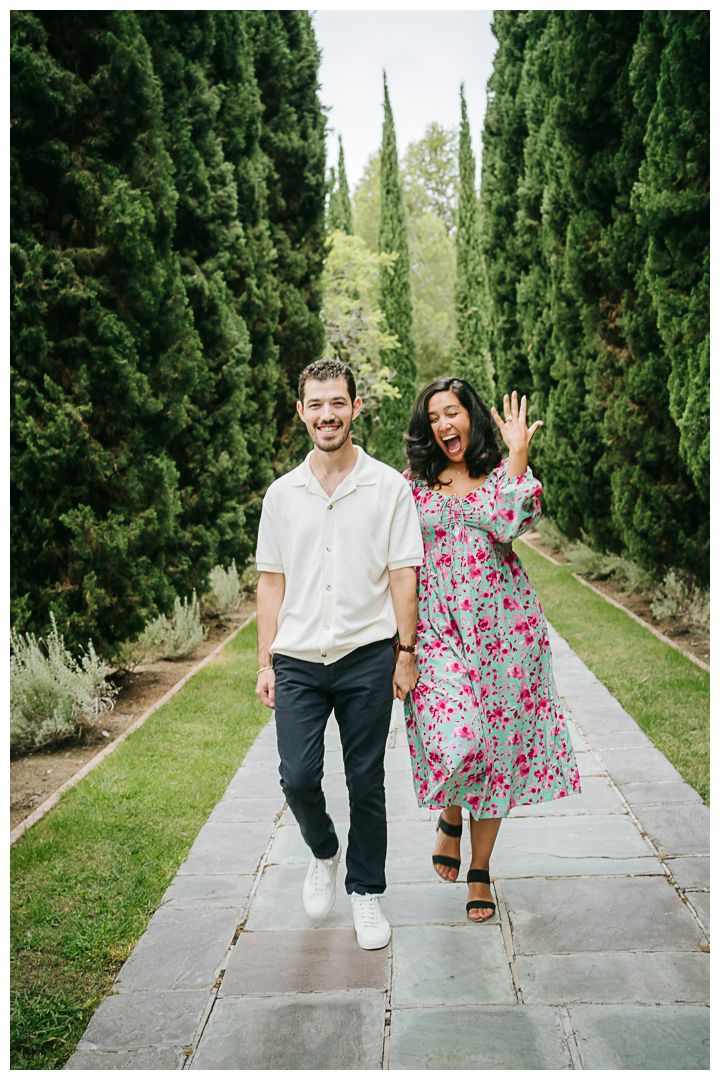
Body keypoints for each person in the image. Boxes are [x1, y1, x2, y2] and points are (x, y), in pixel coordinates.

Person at [255, 358, 424, 950]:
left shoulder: (388, 487)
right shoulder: (281, 495)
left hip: (367, 655)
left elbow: (404, 574)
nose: (327, 414)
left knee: (366, 780)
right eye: (316, 404)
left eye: (337, 403)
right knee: (298, 777)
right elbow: (270, 582)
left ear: (356, 408)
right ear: (302, 412)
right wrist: (264, 662)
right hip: (299, 659)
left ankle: (366, 892)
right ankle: (324, 851)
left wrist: (405, 654)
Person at [403, 377, 581, 921]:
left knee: (498, 748)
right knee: (459, 739)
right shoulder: (413, 483)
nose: (443, 425)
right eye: (433, 417)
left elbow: (510, 524)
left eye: (451, 413)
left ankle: (480, 868)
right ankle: (450, 815)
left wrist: (519, 456)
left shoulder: (503, 476)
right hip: (437, 631)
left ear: (471, 417)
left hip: (506, 636)